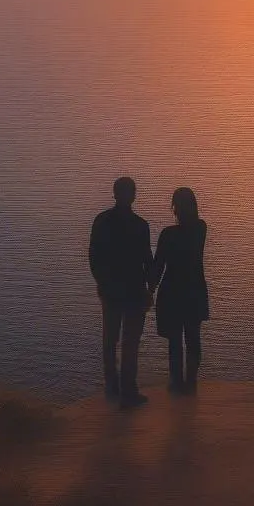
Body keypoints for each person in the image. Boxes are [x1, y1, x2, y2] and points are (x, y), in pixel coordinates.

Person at [88, 176, 152, 410]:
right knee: (127, 342)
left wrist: (102, 282)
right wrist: (149, 289)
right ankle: (127, 389)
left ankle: (114, 386)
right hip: (130, 289)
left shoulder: (103, 221)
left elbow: (94, 256)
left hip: (115, 290)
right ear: (131, 195)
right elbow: (147, 261)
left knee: (112, 340)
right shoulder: (140, 225)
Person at [150, 187, 209, 395]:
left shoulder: (168, 234)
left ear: (175, 208)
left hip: (172, 292)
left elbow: (158, 266)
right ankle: (190, 382)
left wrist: (150, 289)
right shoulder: (201, 228)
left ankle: (177, 383)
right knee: (193, 338)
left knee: (175, 341)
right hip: (194, 290)